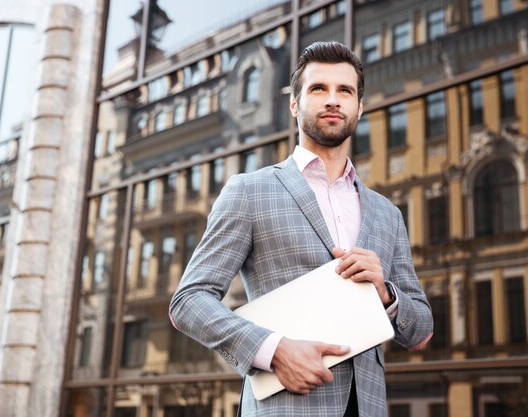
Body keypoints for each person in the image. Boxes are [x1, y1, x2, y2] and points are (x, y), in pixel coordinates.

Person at [169, 41, 433, 417]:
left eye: (345, 91)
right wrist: (272, 349)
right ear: (295, 104)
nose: (333, 100)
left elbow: (421, 331)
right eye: (318, 88)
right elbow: (188, 302)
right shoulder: (249, 191)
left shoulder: (387, 213)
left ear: (360, 107)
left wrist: (387, 295)